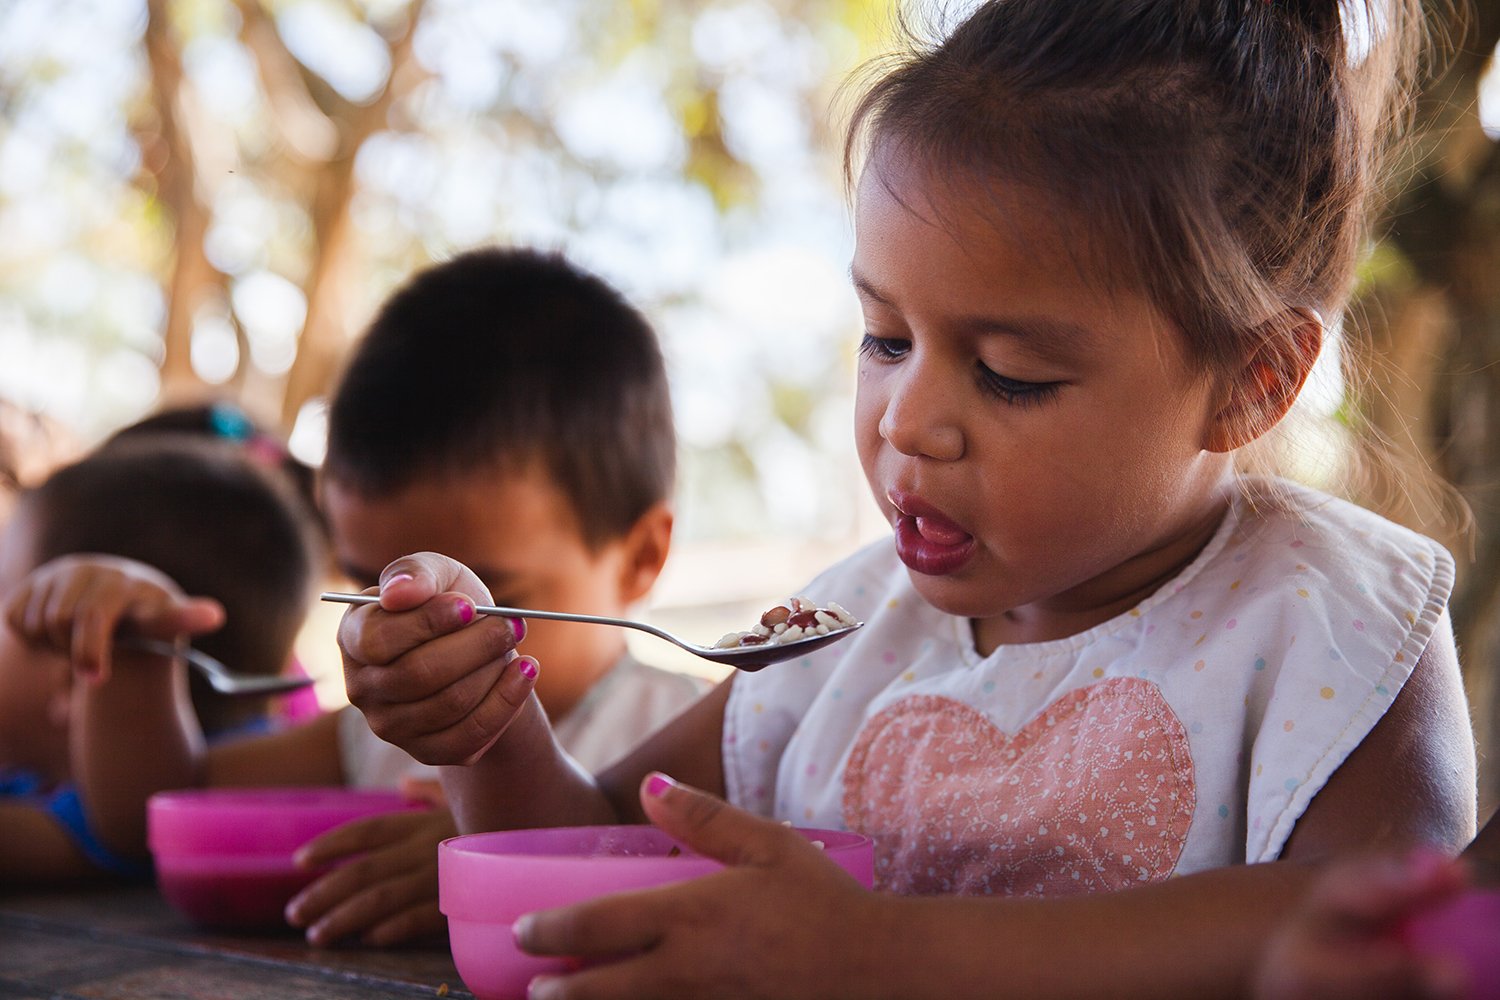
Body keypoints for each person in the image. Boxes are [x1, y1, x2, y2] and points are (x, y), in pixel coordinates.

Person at [335, 1, 1480, 996]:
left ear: (1252, 381)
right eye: (885, 338)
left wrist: (884, 955)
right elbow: (586, 860)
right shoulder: (842, 636)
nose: (905, 421)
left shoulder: (1327, 621)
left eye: (1009, 374)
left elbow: (1403, 921)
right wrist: (484, 723)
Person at [6, 246, 705, 946]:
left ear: (641, 557)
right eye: (371, 589)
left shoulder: (694, 740)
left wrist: (489, 861)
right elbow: (146, 816)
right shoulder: (367, 738)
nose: (415, 632)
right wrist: (136, 648)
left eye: (487, 599)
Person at [0, 435, 322, 884]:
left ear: (80, 668)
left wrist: (136, 652)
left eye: (4, 595)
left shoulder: (113, 811)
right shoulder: (33, 779)